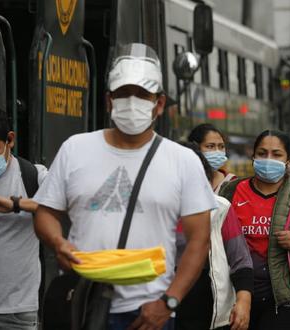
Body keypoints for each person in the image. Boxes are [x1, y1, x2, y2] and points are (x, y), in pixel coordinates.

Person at [32, 43, 217, 330]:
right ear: (108, 101)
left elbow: (199, 240)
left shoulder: (183, 161)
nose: (132, 102)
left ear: (158, 103)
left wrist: (168, 303)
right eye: (123, 94)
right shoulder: (75, 149)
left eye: (142, 94)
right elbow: (45, 213)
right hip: (82, 303)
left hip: (147, 312)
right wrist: (58, 243)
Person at [219, 130, 290, 330]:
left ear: (288, 161)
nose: (268, 159)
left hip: (283, 298)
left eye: (276, 154)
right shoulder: (231, 190)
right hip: (235, 294)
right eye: (262, 153)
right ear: (253, 156)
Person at [0, 104, 48, 330]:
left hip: (17, 313)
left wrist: (17, 204)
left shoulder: (33, 176)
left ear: (10, 140)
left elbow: (66, 205)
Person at [175, 142, 253, 330]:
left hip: (206, 304)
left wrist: (243, 301)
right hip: (160, 301)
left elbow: (240, 260)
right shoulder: (154, 210)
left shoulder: (219, 208)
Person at [188, 124, 236, 194]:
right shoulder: (185, 179)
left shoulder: (232, 183)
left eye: (221, 146)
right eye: (210, 146)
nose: (217, 151)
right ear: (195, 148)